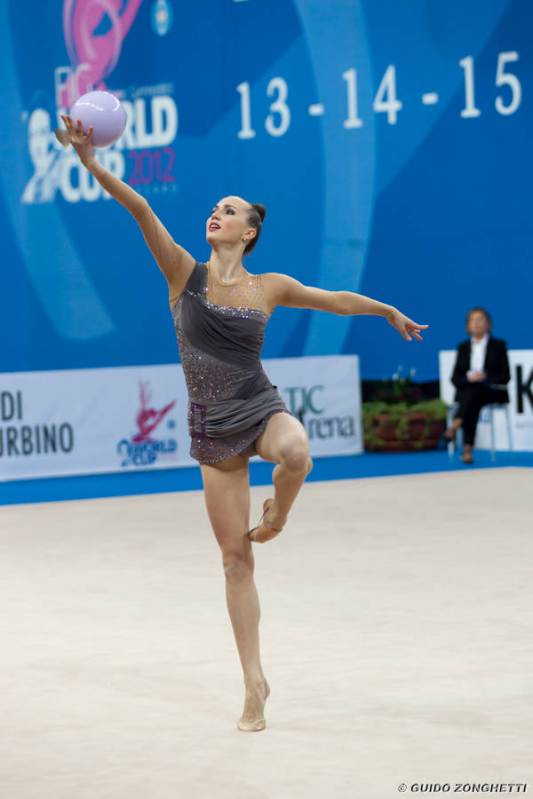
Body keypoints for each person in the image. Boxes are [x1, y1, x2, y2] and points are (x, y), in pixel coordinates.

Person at [57, 115, 429, 732]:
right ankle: (254, 683)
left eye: (228, 211)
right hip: (211, 427)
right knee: (235, 561)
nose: (216, 214)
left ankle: (277, 515)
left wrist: (384, 308)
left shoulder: (269, 286)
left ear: (249, 231)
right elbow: (141, 210)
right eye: (214, 208)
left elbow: (334, 300)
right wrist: (92, 163)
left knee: (298, 453)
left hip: (257, 405)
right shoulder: (184, 275)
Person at [444, 307, 510, 464]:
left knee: (473, 393)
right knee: (472, 395)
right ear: (467, 326)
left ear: (488, 324)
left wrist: (485, 378)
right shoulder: (463, 347)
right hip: (471, 393)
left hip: (491, 391)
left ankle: (455, 425)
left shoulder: (498, 345)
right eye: (473, 320)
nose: (477, 323)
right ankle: (467, 449)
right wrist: (469, 378)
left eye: (480, 319)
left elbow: (506, 377)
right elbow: (455, 378)